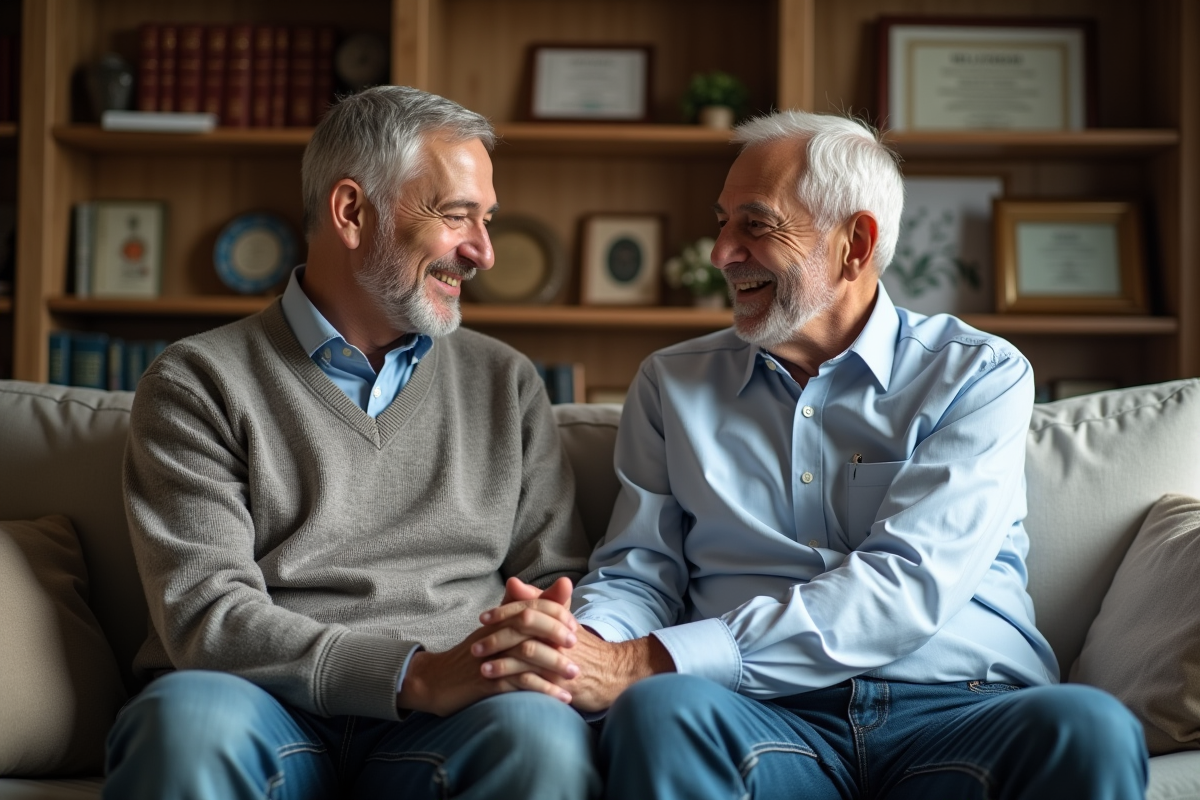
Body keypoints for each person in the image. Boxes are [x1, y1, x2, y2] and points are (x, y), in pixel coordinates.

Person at [478, 110, 1148, 799]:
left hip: (961, 707)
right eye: (722, 222)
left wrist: (646, 660)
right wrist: (576, 648)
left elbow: (906, 586)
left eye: (755, 225)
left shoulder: (977, 375)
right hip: (759, 713)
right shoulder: (671, 383)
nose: (721, 253)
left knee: (1091, 728)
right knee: (660, 711)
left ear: (855, 244)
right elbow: (641, 572)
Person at [105, 86, 599, 800]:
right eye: (456, 216)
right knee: (186, 724)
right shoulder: (198, 381)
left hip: (453, 722)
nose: (484, 252)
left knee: (541, 738)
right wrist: (412, 675)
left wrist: (531, 638)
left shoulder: (506, 382)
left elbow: (558, 580)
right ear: (351, 212)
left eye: (486, 220)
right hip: (260, 705)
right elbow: (206, 615)